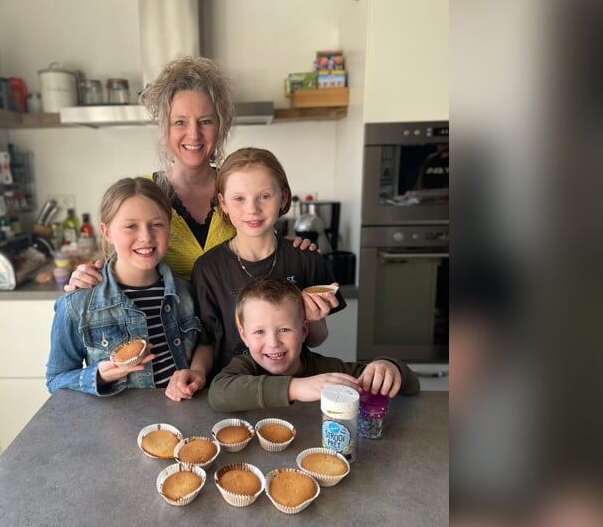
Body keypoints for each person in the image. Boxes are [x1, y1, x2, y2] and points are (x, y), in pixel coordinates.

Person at [64, 56, 312, 290]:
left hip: (236, 334)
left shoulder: (238, 191)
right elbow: (121, 259)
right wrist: (86, 275)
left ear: (221, 126)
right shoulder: (143, 195)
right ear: (165, 128)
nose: (194, 135)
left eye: (205, 121)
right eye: (180, 122)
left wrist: (294, 248)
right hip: (163, 334)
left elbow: (263, 247)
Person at [46, 177, 212, 400]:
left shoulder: (186, 293)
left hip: (180, 421)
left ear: (169, 226)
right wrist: (99, 377)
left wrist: (196, 373)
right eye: (130, 226)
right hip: (118, 427)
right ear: (107, 232)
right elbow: (56, 379)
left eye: (156, 224)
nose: (146, 237)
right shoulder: (77, 304)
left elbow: (205, 342)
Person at [192, 147, 345, 376]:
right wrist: (196, 372)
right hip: (233, 390)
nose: (252, 209)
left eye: (264, 196)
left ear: (283, 197)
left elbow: (317, 340)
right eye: (239, 199)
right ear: (223, 203)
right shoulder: (208, 269)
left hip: (296, 387)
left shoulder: (306, 259)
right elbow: (207, 341)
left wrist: (313, 320)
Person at [208, 277, 419, 412]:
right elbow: (218, 394)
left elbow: (411, 386)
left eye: (284, 330)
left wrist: (388, 366)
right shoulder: (244, 367)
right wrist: (296, 388)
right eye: (259, 332)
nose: (273, 343)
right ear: (244, 336)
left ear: (303, 331)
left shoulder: (328, 371)